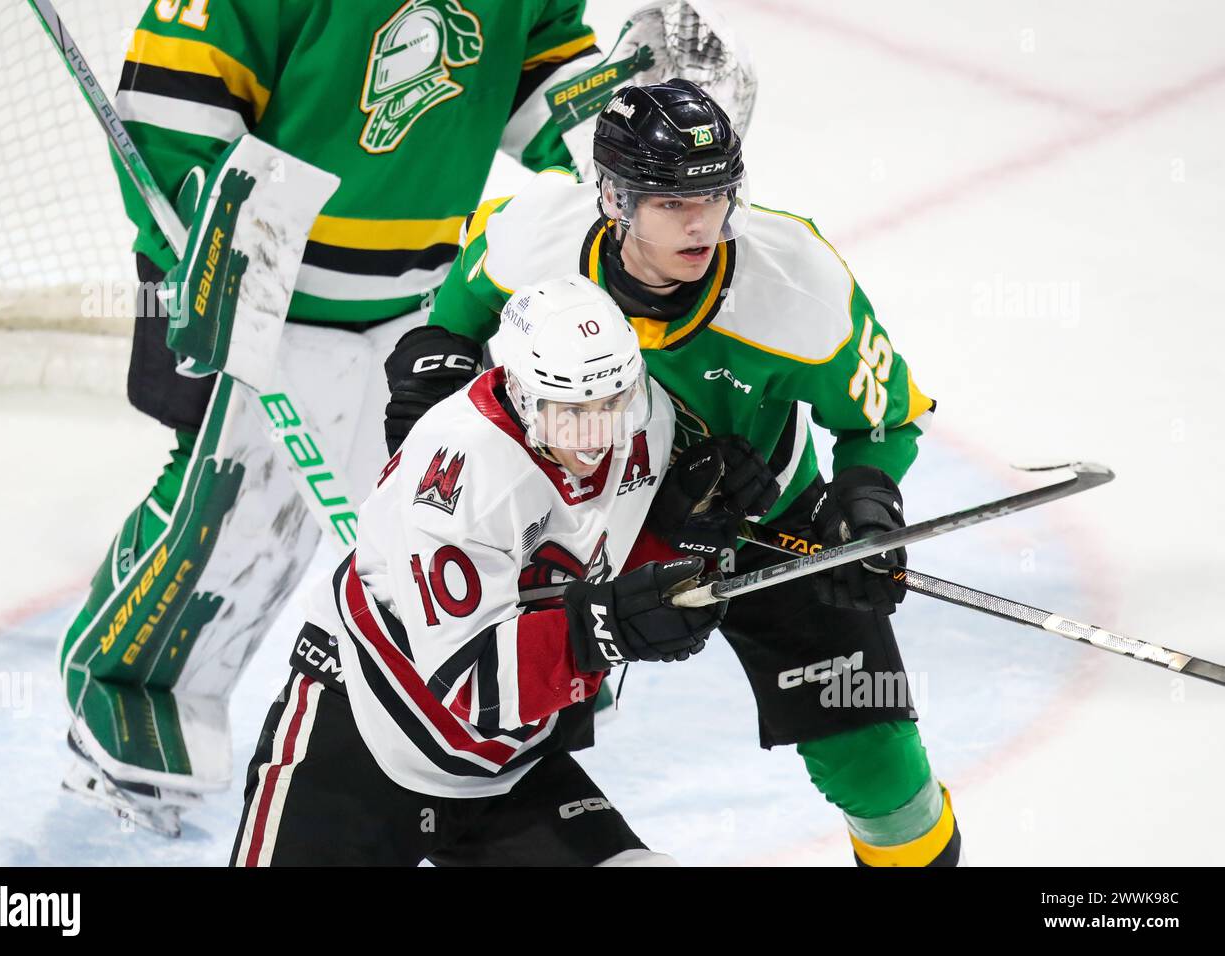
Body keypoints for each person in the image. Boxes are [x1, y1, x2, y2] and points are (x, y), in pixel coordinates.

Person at [59, 0, 621, 835]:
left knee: (448, 521)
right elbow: (173, 109)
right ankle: (125, 728)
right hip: (257, 284)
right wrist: (217, 244)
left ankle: (475, 706)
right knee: (235, 525)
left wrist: (623, 114)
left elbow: (541, 76)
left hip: (423, 295)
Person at [383, 80, 962, 866]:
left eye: (719, 194)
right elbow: (455, 323)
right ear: (615, 200)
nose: (703, 224)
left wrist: (865, 502)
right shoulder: (535, 237)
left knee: (882, 771)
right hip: (585, 530)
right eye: (671, 204)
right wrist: (431, 382)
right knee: (493, 720)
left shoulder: (797, 282)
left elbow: (884, 417)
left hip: (766, 529)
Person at [231, 276, 725, 865]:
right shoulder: (465, 471)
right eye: (573, 415)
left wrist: (678, 543)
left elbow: (609, 563)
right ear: (519, 392)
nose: (597, 437)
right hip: (367, 723)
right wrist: (611, 628)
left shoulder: (646, 420)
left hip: (509, 758)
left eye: (611, 406)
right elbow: (471, 684)